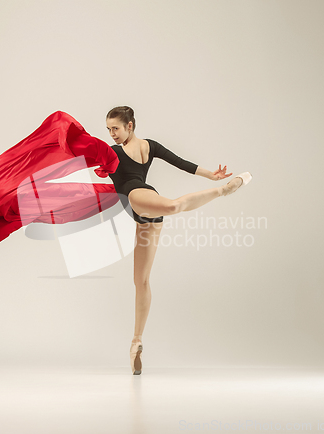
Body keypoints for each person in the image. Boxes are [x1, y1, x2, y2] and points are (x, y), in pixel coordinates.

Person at [105, 106, 252, 375]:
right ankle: (136, 341)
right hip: (145, 213)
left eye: (116, 128)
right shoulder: (112, 153)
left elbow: (180, 162)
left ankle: (223, 190)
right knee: (141, 281)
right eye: (109, 129)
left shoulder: (132, 150)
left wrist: (213, 177)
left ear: (130, 125)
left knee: (172, 207)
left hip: (140, 197)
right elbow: (94, 164)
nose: (112, 134)